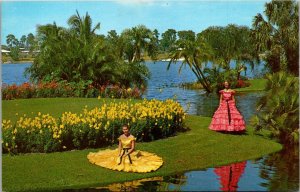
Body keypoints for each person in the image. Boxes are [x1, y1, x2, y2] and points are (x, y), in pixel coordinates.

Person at [87, 124, 163, 173]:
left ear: (128, 129)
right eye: (123, 129)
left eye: (126, 129)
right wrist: (119, 152)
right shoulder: (121, 137)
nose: (125, 131)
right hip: (122, 150)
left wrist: (127, 153)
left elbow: (133, 148)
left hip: (130, 151)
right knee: (116, 158)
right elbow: (120, 146)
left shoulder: (132, 137)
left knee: (127, 161)